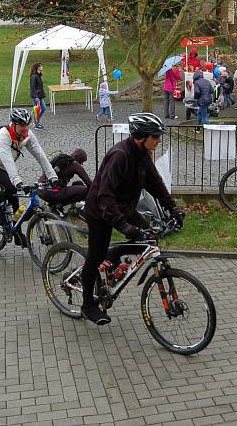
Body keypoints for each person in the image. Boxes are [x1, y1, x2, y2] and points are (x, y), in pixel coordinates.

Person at [80, 113, 184, 325]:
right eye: (155, 136)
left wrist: (173, 209)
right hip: (101, 211)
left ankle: (112, 253)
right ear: (141, 137)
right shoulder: (119, 155)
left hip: (124, 208)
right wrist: (122, 225)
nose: (159, 140)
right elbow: (105, 195)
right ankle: (87, 305)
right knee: (94, 256)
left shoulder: (143, 154)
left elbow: (155, 183)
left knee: (148, 239)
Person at [0, 108, 57, 225]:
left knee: (16, 207)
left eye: (27, 125)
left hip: (5, 166)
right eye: (21, 125)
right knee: (11, 188)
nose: (25, 128)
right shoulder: (3, 136)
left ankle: (17, 236)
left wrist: (53, 177)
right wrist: (18, 182)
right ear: (14, 125)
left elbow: (40, 155)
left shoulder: (27, 134)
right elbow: (8, 161)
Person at [29, 63, 46, 130]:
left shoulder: (38, 75)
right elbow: (33, 87)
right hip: (36, 97)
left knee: (43, 108)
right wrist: (36, 97)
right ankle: (36, 124)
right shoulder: (34, 76)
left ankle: (36, 121)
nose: (42, 67)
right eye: (41, 66)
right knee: (37, 110)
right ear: (37, 68)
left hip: (40, 96)